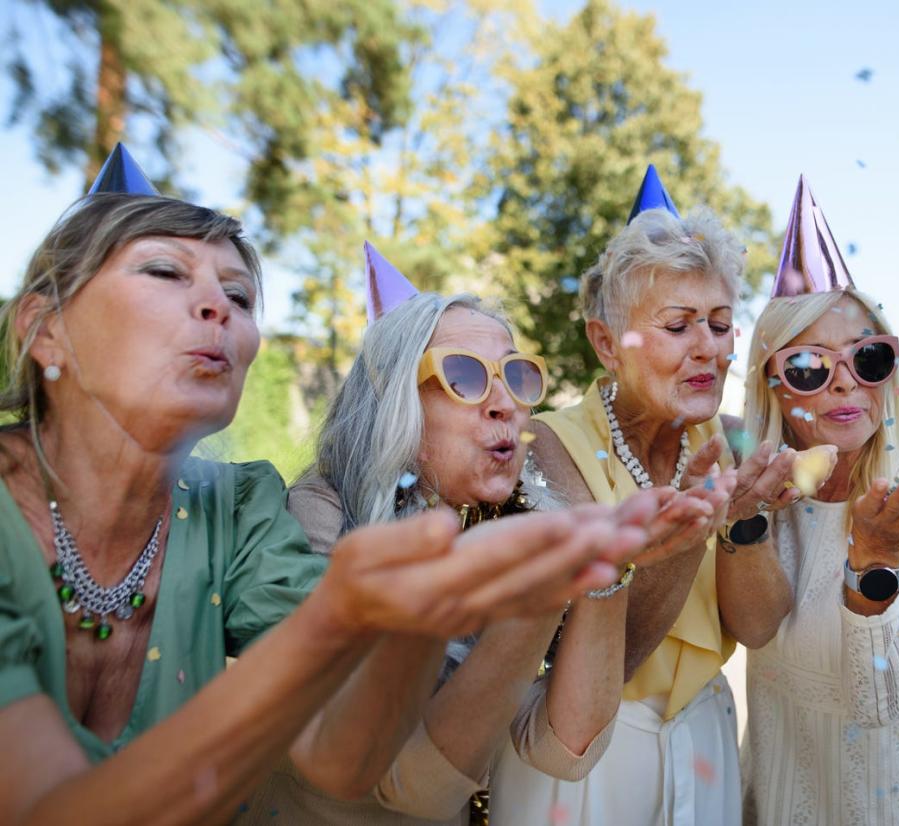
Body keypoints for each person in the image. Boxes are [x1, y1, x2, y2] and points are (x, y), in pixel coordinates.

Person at [0, 145, 649, 825]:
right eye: (165, 271)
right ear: (44, 330)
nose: (218, 308)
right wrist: (353, 613)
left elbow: (340, 755)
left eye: (240, 294)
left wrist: (416, 615)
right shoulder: (309, 512)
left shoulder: (236, 510)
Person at [243, 243, 694, 825]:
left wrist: (605, 571)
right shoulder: (322, 518)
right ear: (394, 402)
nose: (504, 403)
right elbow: (413, 786)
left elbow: (565, 748)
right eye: (463, 376)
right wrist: (544, 585)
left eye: (515, 374)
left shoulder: (520, 518)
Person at [492, 166, 795, 826]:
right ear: (606, 343)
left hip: (704, 739)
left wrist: (744, 523)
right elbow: (609, 658)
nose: (707, 349)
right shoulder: (545, 448)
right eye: (678, 324)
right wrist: (691, 530)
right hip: (581, 763)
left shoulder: (740, 440)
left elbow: (761, 627)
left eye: (719, 324)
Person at [737, 176, 899, 825]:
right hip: (782, 795)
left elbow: (883, 700)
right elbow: (745, 631)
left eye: (868, 358)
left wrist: (875, 556)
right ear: (771, 386)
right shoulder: (756, 493)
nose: (845, 382)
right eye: (810, 367)